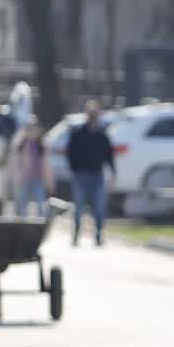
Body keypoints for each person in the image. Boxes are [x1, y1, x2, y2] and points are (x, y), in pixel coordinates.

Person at [65, 100, 114, 245]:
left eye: (95, 113)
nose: (93, 116)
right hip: (80, 175)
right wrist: (73, 169)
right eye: (91, 113)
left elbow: (109, 154)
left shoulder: (102, 134)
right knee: (78, 208)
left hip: (97, 175)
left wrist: (112, 172)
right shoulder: (78, 132)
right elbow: (70, 153)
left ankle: (98, 235)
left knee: (99, 207)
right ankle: (76, 234)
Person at [8, 115, 52, 217]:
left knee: (40, 204)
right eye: (29, 128)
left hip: (37, 178)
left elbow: (46, 164)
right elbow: (14, 162)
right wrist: (14, 176)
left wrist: (49, 181)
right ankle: (22, 224)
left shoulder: (41, 145)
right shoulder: (19, 144)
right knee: (21, 205)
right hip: (22, 179)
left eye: (34, 128)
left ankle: (41, 224)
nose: (32, 131)